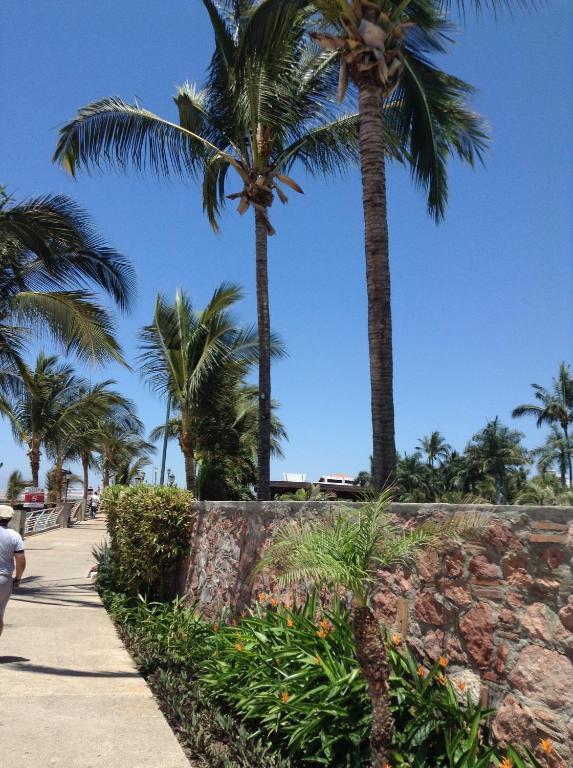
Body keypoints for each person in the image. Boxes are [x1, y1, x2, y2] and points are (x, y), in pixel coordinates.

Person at [0, 505, 26, 638]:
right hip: (3, 579)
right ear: (10, 518)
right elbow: (20, 560)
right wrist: (18, 579)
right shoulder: (14, 536)